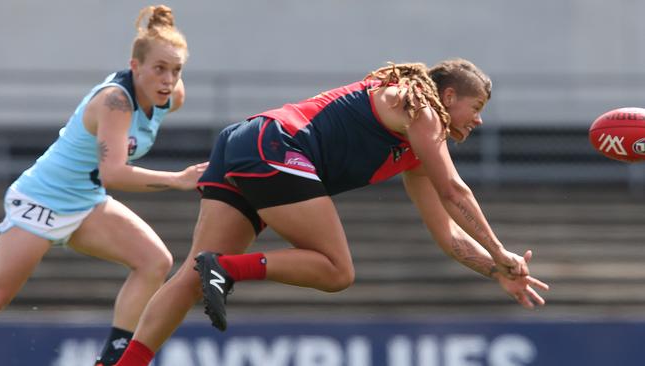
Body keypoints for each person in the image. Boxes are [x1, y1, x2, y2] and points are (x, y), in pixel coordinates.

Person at [115, 59, 549, 365]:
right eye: (476, 109)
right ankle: (226, 270)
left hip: (248, 141)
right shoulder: (421, 105)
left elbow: (450, 236)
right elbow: (455, 191)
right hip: (275, 147)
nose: (478, 122)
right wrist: (501, 249)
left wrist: (497, 270)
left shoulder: (415, 148)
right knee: (337, 270)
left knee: (193, 275)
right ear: (448, 96)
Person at [0, 5, 206, 366]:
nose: (168, 80)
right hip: (41, 200)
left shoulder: (171, 96)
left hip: (85, 202)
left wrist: (166, 41)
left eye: (176, 70)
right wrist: (179, 180)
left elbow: (106, 178)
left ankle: (112, 359)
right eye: (159, 69)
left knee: (154, 261)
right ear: (135, 66)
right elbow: (114, 175)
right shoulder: (115, 101)